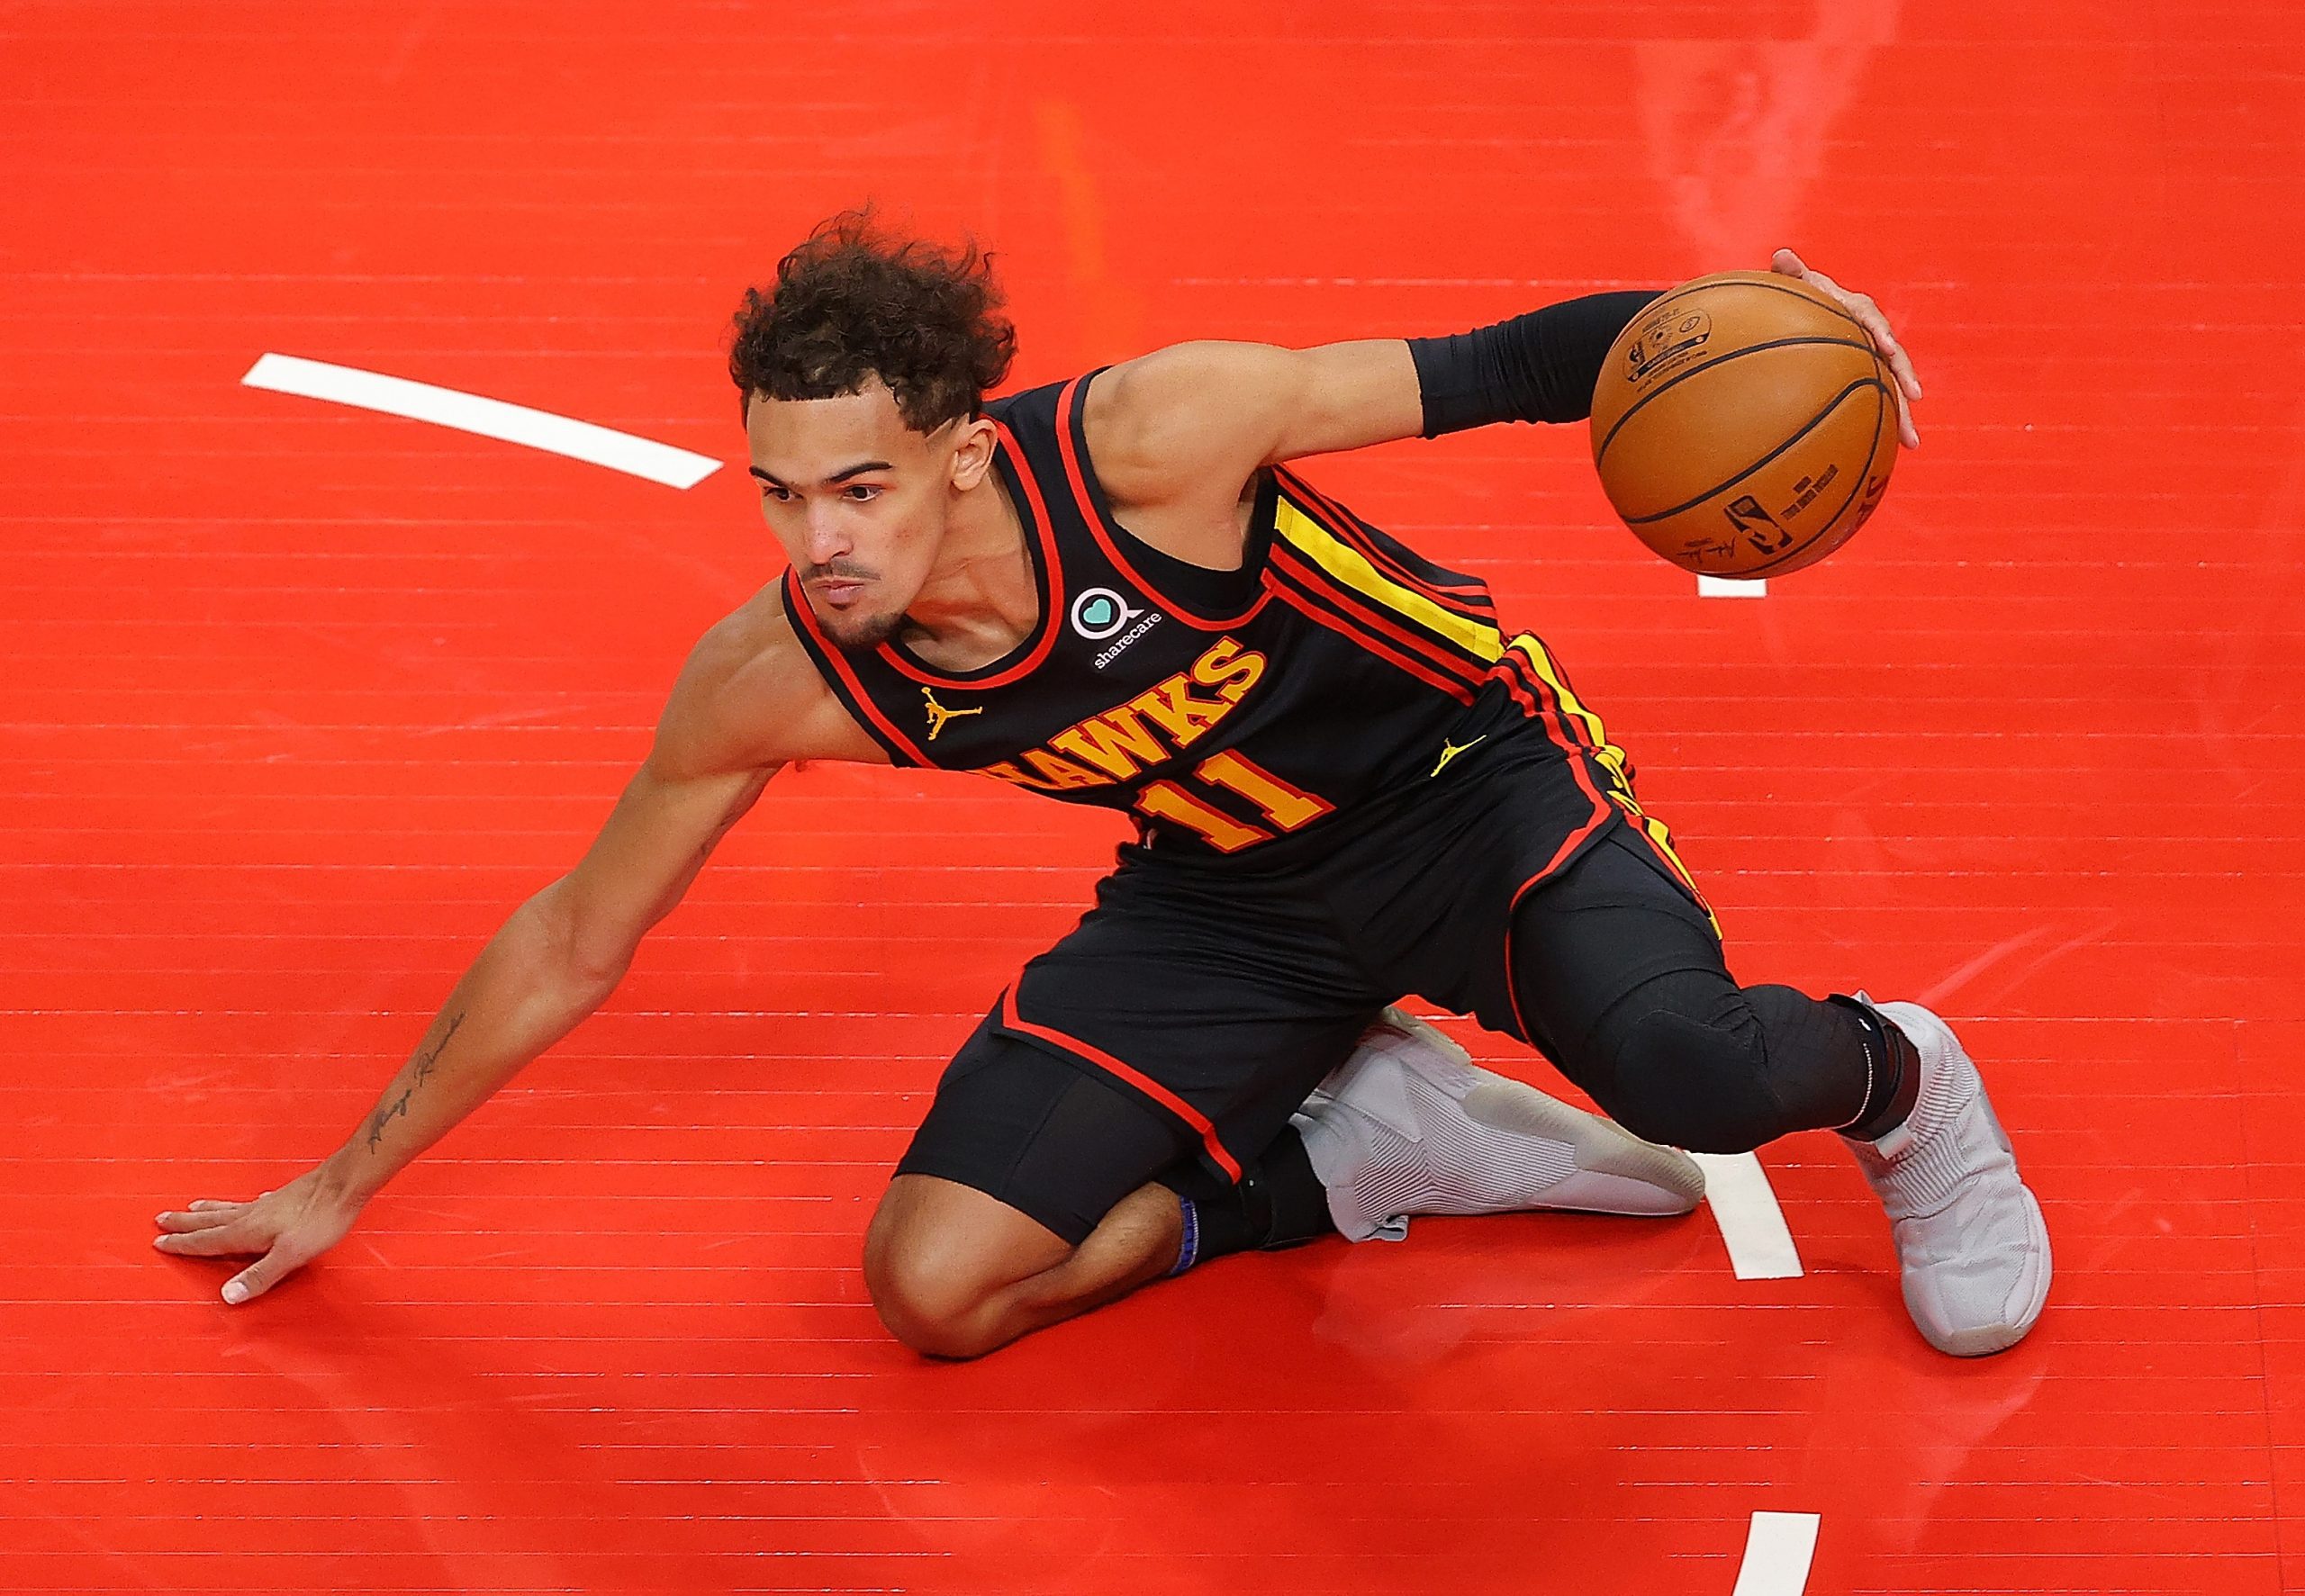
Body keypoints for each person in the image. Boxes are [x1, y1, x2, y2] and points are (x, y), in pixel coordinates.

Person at [155, 211, 2051, 1362]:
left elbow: (1503, 365)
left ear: (964, 453)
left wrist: (1768, 335)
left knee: (1695, 1077)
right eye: (778, 492)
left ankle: (1909, 1089)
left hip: (1463, 780)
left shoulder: (1151, 441)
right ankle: (1369, 1152)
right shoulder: (781, 675)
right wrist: (342, 1180)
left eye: (857, 486)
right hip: (1219, 896)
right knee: (938, 1286)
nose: (815, 539)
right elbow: (576, 936)